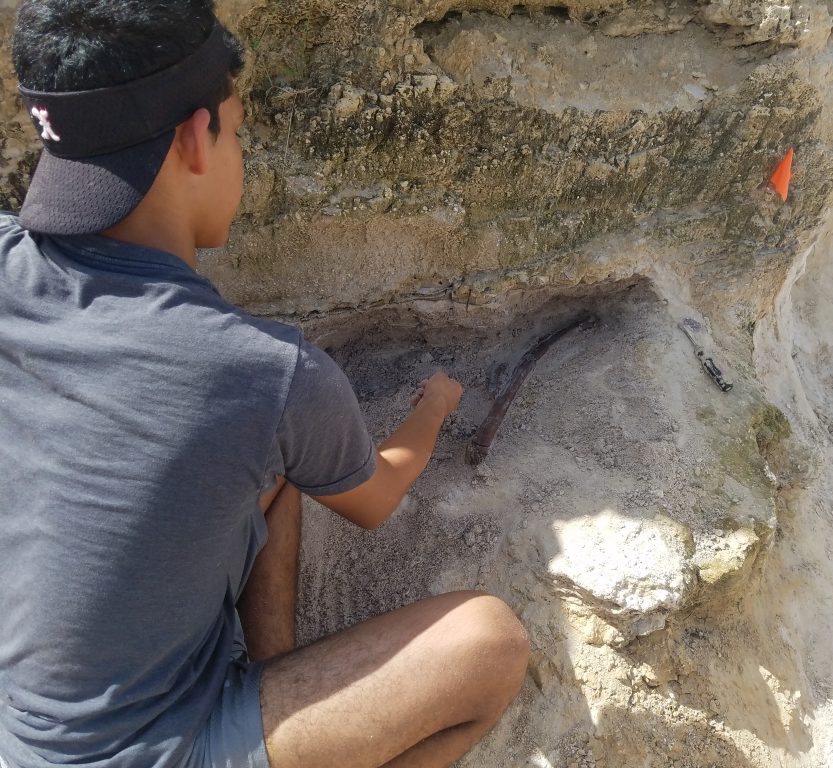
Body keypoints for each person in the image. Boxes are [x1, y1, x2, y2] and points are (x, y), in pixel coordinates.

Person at [0, 1, 529, 767]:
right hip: (143, 751)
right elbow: (375, 498)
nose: (239, 152)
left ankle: (268, 674)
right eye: (237, 131)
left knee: (272, 471)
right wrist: (435, 409)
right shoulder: (263, 370)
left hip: (21, 722)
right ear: (195, 138)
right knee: (490, 640)